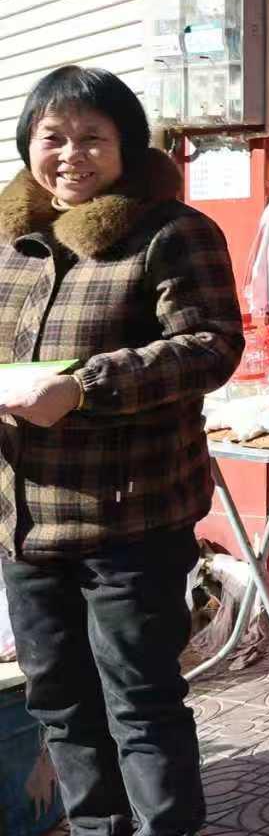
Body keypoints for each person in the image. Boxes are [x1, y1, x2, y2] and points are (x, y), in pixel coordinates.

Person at [0, 66, 245, 836]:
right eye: (54, 138)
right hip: (24, 524)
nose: (71, 154)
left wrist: (84, 387)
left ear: (126, 146)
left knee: (140, 700)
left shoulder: (170, 233)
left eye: (92, 137)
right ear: (28, 146)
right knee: (59, 702)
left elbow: (210, 346)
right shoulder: (10, 243)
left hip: (129, 518)